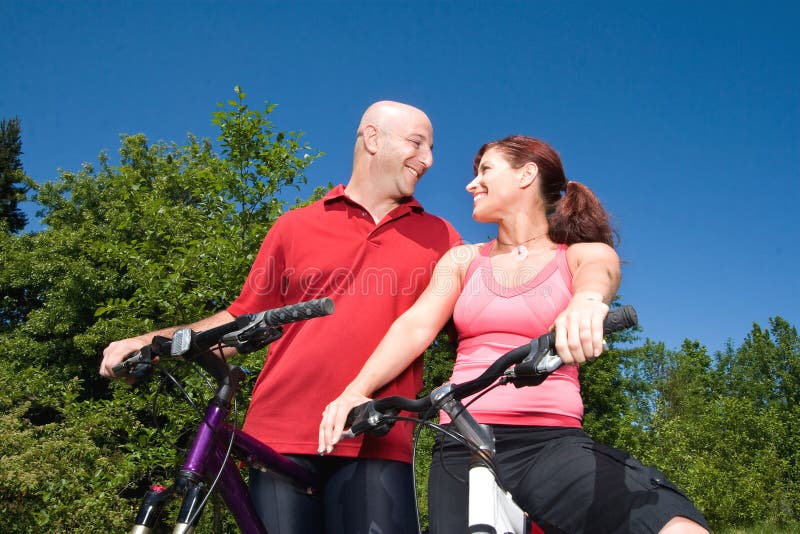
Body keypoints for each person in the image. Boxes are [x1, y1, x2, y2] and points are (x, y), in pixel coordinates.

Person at [100, 101, 461, 534]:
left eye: (432, 148)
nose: (429, 160)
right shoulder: (294, 227)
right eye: (417, 143)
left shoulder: (442, 237)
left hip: (374, 438)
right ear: (373, 139)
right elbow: (241, 319)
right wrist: (150, 343)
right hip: (278, 436)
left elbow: (480, 319)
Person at [319, 135, 709, 533]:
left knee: (671, 524)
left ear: (526, 175)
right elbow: (416, 325)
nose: (472, 184)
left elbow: (599, 272)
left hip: (549, 442)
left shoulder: (577, 254)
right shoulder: (463, 260)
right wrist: (357, 390)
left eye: (485, 170)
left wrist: (586, 304)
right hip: (461, 440)